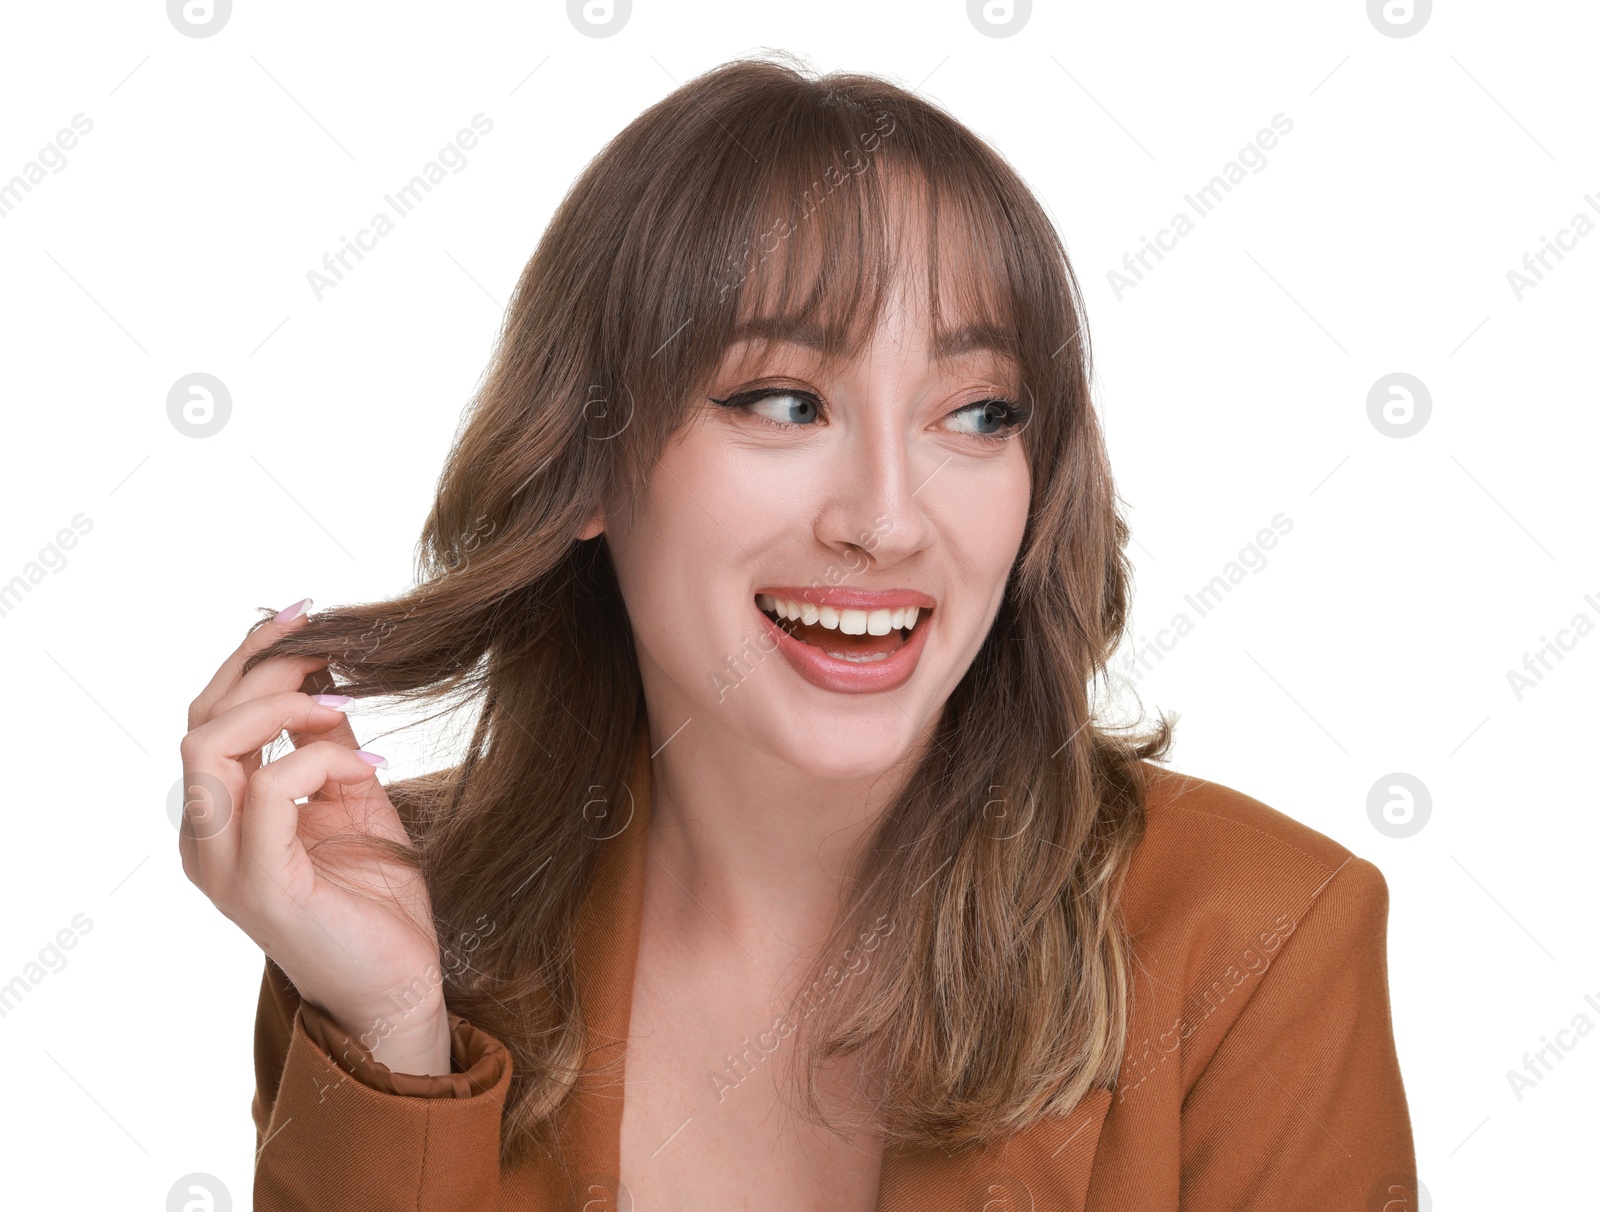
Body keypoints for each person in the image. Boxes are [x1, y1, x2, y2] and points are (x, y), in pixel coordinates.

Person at [178, 51, 1416, 1211]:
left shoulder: (1262, 937)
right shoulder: (394, 913)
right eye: (784, 401)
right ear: (588, 467)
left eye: (978, 414)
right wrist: (398, 1040)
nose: (885, 519)